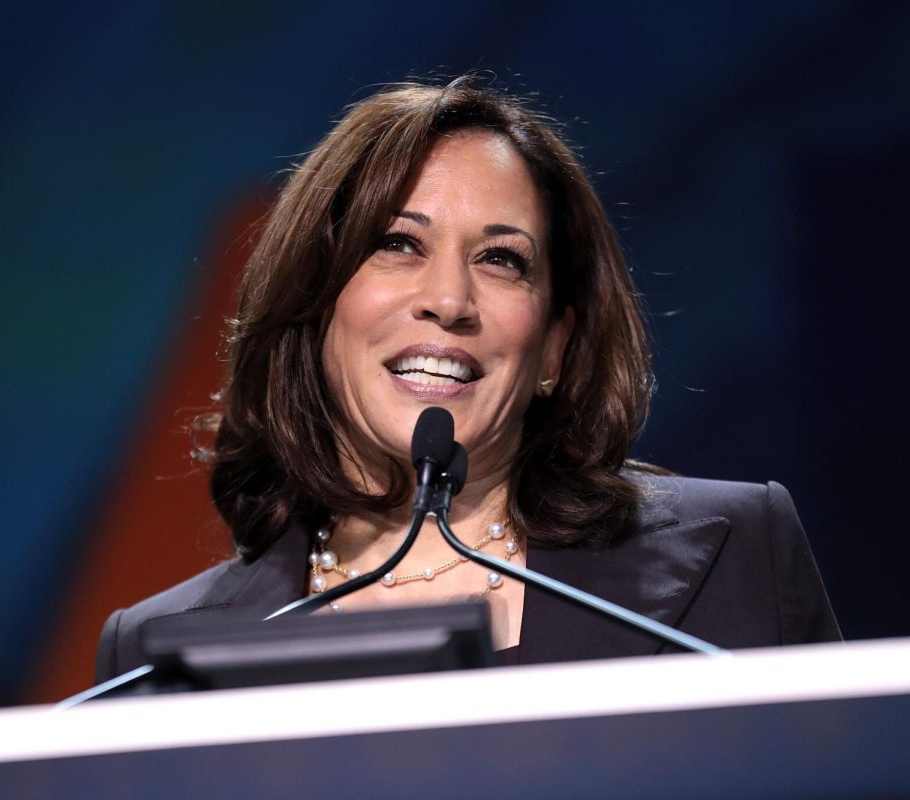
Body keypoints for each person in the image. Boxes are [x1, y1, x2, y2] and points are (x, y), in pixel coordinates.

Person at [95, 76, 839, 683]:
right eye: (397, 243)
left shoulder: (741, 556)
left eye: (501, 260)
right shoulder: (154, 660)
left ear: (554, 346)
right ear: (312, 308)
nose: (449, 301)